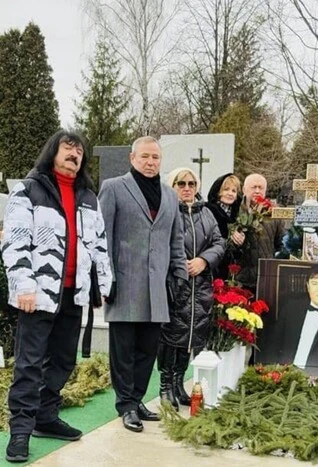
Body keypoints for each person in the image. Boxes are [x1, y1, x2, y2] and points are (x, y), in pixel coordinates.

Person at [1, 130, 112, 462]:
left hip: (72, 295)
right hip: (37, 294)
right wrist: (24, 286)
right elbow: (15, 242)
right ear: (52, 152)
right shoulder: (30, 190)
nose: (74, 154)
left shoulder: (88, 197)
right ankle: (20, 430)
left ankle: (45, 417)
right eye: (68, 148)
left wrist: (102, 285)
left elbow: (99, 245)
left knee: (63, 360)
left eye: (79, 151)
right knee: (29, 363)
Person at [98, 136, 189, 433]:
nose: (150, 163)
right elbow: (103, 238)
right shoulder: (113, 188)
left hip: (157, 288)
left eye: (155, 158)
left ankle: (137, 399)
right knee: (123, 350)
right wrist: (105, 278)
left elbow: (175, 240)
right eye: (145, 157)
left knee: (147, 349)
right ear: (132, 157)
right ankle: (125, 405)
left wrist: (179, 274)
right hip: (124, 284)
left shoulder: (169, 195)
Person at [159, 168, 225, 410]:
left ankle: (178, 383)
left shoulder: (206, 213)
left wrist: (204, 260)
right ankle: (165, 385)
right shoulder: (167, 211)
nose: (187, 188)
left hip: (201, 286)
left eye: (191, 183)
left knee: (190, 336)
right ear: (172, 186)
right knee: (171, 336)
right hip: (177, 285)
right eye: (181, 183)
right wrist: (179, 264)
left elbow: (219, 242)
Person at [232, 174, 285, 294]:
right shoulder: (235, 212)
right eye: (253, 187)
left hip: (266, 277)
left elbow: (282, 243)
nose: (257, 191)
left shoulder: (274, 214)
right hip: (241, 278)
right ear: (244, 190)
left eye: (260, 187)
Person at [205, 173, 243, 280]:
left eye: (234, 191)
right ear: (218, 192)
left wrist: (240, 241)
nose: (230, 194)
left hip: (230, 267)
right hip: (212, 262)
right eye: (226, 189)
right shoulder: (208, 210)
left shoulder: (239, 214)